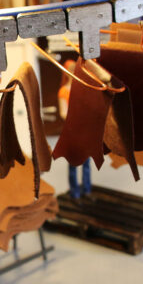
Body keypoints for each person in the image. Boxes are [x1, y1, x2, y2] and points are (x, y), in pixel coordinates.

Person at [57, 59, 91, 199]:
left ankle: (86, 189)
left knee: (87, 162)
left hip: (84, 130)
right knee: (73, 163)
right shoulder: (64, 91)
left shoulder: (82, 89)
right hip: (72, 131)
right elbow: (63, 112)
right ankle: (75, 192)